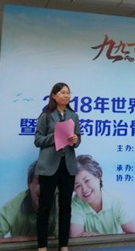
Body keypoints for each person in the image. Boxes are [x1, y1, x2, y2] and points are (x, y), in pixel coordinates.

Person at [34, 82, 81, 251]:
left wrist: (75, 140)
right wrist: (55, 137)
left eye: (68, 92)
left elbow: (78, 138)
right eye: (62, 92)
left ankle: (64, 245)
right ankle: (42, 246)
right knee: (45, 207)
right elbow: (38, 140)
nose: (66, 95)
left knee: (66, 207)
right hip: (49, 166)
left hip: (67, 165)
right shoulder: (46, 115)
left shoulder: (73, 115)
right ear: (54, 96)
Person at [0, 161, 57, 241]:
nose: (45, 189)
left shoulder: (60, 202)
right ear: (29, 183)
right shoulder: (14, 206)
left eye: (50, 183)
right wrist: (25, 240)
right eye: (40, 182)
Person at [70, 154, 135, 237]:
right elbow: (76, 238)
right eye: (77, 186)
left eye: (87, 180)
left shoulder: (116, 201)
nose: (84, 189)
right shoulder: (76, 203)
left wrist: (97, 236)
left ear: (98, 176)